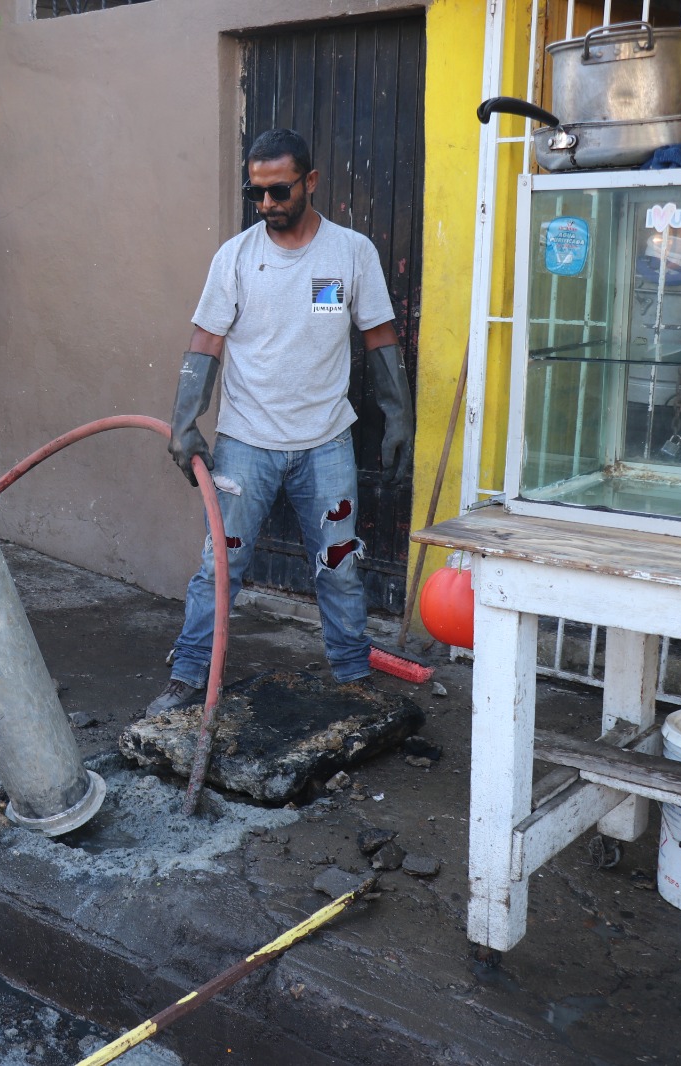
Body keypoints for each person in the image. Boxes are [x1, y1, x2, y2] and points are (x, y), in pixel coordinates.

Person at [147, 128, 412, 715]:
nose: (266, 204)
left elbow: (378, 333)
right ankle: (189, 676)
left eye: (279, 191)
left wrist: (399, 417)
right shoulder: (236, 257)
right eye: (256, 193)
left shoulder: (351, 253)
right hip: (246, 441)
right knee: (220, 565)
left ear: (310, 182)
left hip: (326, 441)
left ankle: (352, 676)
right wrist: (185, 420)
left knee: (338, 567)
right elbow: (206, 340)